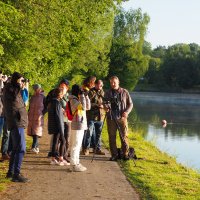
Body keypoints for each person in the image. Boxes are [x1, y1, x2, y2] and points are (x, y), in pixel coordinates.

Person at [3, 72, 29, 182]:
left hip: (17, 121)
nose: (21, 83)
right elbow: (14, 98)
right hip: (16, 122)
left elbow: (22, 102)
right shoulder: (10, 88)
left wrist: (22, 86)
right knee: (21, 149)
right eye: (20, 80)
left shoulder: (13, 89)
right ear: (16, 80)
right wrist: (19, 85)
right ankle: (16, 175)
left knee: (15, 149)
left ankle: (11, 172)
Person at [105, 76, 133, 161]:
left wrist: (126, 112)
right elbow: (104, 103)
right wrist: (105, 107)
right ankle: (114, 155)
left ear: (118, 82)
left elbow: (131, 104)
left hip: (122, 118)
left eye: (114, 82)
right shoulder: (108, 93)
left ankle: (125, 154)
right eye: (111, 83)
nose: (113, 84)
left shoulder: (124, 92)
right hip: (111, 118)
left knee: (124, 137)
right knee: (112, 137)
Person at [69, 84, 91, 172]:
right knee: (75, 144)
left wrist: (86, 96)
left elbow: (88, 107)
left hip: (81, 124)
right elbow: (83, 107)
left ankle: (77, 162)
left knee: (78, 145)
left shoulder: (78, 99)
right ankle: (73, 164)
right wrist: (82, 96)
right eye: (80, 91)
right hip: (77, 125)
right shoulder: (73, 100)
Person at [82, 80, 105, 155]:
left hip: (100, 116)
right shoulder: (90, 92)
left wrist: (105, 105)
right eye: (99, 85)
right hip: (91, 116)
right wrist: (97, 105)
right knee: (89, 133)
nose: (100, 87)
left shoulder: (102, 92)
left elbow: (106, 102)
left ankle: (97, 149)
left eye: (101, 85)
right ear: (95, 84)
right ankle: (86, 149)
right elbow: (87, 103)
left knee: (99, 134)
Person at [47, 87, 68, 166]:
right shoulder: (57, 103)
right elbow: (58, 117)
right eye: (62, 93)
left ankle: (54, 158)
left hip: (53, 125)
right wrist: (61, 129)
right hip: (58, 126)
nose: (63, 95)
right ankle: (61, 158)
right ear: (59, 95)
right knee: (63, 141)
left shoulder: (51, 103)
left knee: (55, 142)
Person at [27, 84, 46, 154]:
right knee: (33, 132)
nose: (35, 90)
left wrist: (42, 113)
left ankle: (33, 146)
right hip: (31, 116)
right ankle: (37, 147)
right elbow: (30, 106)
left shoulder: (43, 97)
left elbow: (46, 107)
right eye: (34, 89)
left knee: (36, 132)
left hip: (38, 117)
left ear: (39, 89)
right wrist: (28, 112)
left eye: (36, 89)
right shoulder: (33, 97)